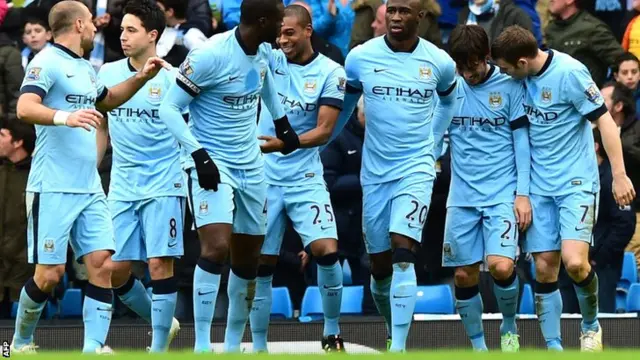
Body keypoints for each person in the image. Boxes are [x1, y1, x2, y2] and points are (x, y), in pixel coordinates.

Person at [10, 0, 166, 354]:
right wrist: (67, 118)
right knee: (48, 276)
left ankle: (93, 348)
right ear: (79, 25)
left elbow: (107, 101)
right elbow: (24, 107)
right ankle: (18, 343)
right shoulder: (46, 61)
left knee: (102, 265)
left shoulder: (84, 67)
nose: (97, 28)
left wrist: (141, 78)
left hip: (89, 188)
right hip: (52, 186)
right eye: (92, 23)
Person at [157, 0, 300, 353]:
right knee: (217, 246)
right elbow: (169, 108)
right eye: (279, 22)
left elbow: (262, 82)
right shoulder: (210, 55)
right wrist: (199, 155)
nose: (283, 29)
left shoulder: (263, 50)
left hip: (250, 164)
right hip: (212, 162)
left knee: (248, 257)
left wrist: (282, 123)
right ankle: (203, 344)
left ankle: (234, 345)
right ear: (262, 21)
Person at [491, 25, 636, 351]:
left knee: (575, 263)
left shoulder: (570, 73)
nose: (503, 73)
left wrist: (619, 174)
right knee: (543, 268)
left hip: (575, 182)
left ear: (523, 61)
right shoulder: (516, 82)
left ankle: (590, 327)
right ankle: (555, 348)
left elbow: (605, 122)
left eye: (506, 67)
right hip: (539, 188)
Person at [336, 0, 458, 352]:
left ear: (420, 16)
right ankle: (392, 326)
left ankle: (399, 348)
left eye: (405, 11)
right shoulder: (360, 57)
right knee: (380, 264)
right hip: (375, 173)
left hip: (416, 168)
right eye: (391, 10)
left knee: (404, 247)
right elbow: (344, 108)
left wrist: (433, 144)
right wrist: (323, 139)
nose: (396, 17)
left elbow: (449, 101)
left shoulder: (439, 61)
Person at [248, 4, 346, 352]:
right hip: (264, 179)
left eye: (289, 32)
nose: (282, 39)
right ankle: (258, 344)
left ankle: (332, 332)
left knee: (326, 251)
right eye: (279, 33)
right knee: (262, 263)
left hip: (304, 175)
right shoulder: (268, 60)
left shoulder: (332, 72)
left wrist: (282, 144)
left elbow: (323, 131)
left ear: (308, 31)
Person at [96, 0, 182, 353]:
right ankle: (163, 321)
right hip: (123, 184)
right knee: (112, 268)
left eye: (131, 30)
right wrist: (92, 168)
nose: (124, 36)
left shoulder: (175, 79)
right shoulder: (107, 73)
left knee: (160, 262)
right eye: (121, 30)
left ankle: (158, 347)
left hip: (165, 181)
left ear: (153, 35)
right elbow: (101, 123)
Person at [441, 24, 531, 352]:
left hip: (502, 192)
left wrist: (522, 193)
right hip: (462, 195)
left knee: (501, 266)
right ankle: (479, 347)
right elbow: (435, 132)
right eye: (461, 67)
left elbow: (522, 143)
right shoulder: (449, 85)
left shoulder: (509, 86)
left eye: (473, 66)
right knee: (464, 277)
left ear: (487, 57)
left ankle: (509, 327)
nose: (468, 74)